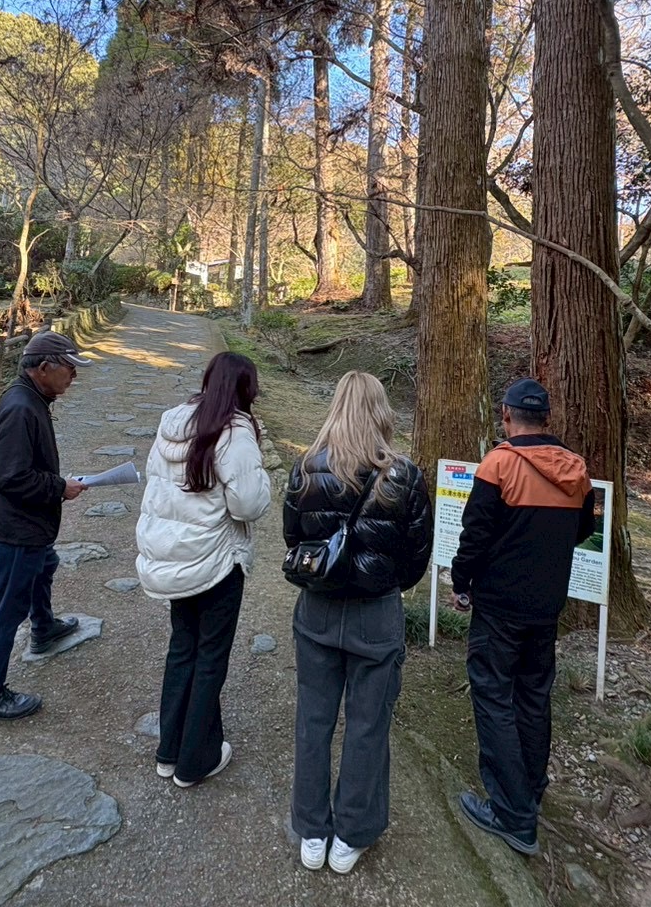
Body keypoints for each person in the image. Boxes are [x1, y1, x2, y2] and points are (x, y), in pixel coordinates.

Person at [283, 371, 433, 875]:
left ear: (336, 406)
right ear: (381, 410)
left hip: (318, 610)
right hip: (377, 614)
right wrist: (382, 580)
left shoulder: (305, 468)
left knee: (313, 720)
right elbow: (418, 556)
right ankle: (352, 833)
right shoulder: (406, 475)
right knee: (369, 726)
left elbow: (293, 542)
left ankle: (311, 828)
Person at [450, 378, 595, 855]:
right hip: (546, 605)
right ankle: (530, 788)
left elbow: (474, 534)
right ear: (547, 420)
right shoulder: (576, 471)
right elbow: (580, 531)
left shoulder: (500, 464)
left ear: (507, 415)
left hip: (499, 605)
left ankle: (512, 814)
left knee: (493, 696)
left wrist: (461, 580)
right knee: (533, 696)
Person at [137, 352, 271, 787]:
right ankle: (196, 761)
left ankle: (168, 751)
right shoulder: (235, 432)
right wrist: (263, 470)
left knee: (183, 649)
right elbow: (248, 504)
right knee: (210, 656)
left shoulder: (172, 422)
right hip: (215, 561)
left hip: (176, 559)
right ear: (245, 388)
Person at [0, 331, 91, 720]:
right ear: (44, 368)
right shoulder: (21, 407)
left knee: (45, 567)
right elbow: (10, 477)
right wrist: (59, 487)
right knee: (8, 609)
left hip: (28, 526)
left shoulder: (33, 398)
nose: (74, 377)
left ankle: (45, 626)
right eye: (70, 369)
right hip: (17, 529)